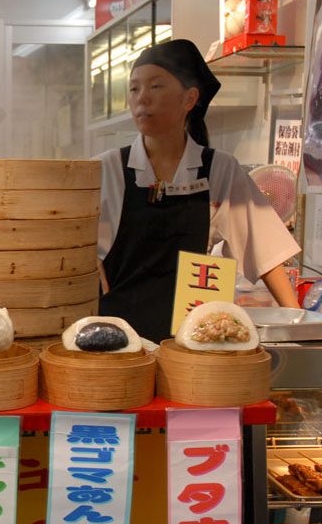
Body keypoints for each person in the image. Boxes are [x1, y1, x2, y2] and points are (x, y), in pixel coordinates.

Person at [95, 39, 300, 342]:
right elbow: (68, 245)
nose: (141, 99)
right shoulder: (106, 167)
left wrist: (299, 325)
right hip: (115, 339)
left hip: (192, 340)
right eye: (134, 88)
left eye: (156, 87)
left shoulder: (219, 169)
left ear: (189, 98)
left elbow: (265, 251)